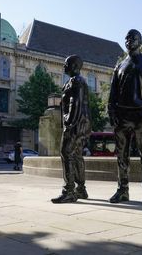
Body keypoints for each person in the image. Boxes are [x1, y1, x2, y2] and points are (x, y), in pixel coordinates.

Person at [108, 29, 142, 205]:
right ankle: (122, 190)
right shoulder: (119, 66)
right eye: (127, 38)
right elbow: (112, 94)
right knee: (121, 156)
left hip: (140, 115)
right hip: (122, 116)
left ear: (140, 41)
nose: (129, 41)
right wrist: (112, 113)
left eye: (133, 38)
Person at [51, 55, 91, 204]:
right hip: (82, 124)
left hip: (75, 124)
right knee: (77, 155)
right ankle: (81, 189)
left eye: (66, 64)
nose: (64, 66)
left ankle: (69, 191)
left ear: (74, 66)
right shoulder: (75, 81)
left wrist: (68, 123)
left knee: (66, 153)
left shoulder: (76, 82)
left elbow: (76, 103)